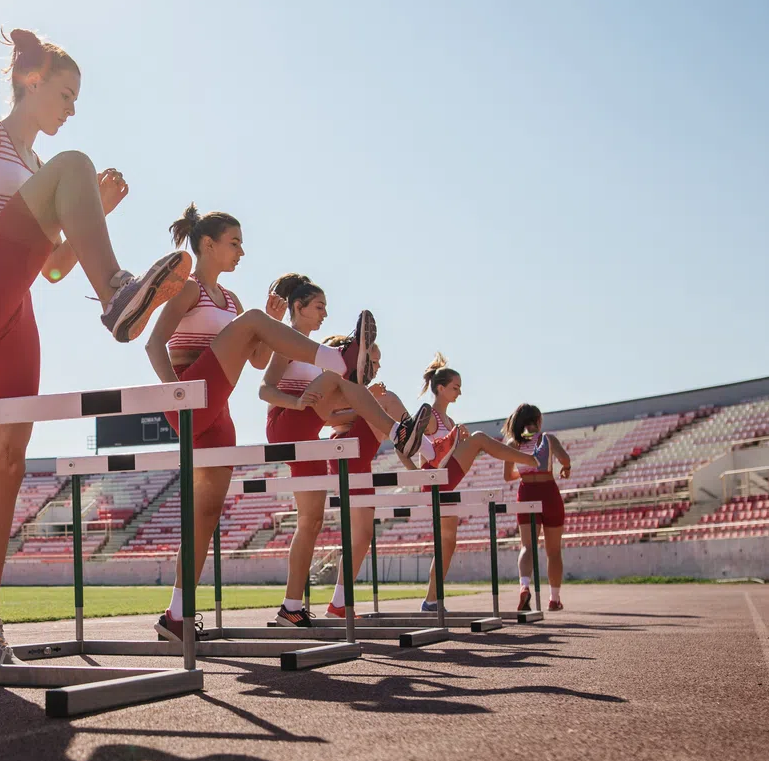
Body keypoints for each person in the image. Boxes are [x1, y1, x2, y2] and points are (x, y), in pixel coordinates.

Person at [0, 28, 191, 666]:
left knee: (6, 463)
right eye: (66, 93)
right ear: (33, 82)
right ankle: (116, 291)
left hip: (16, 312)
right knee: (78, 163)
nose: (72, 107)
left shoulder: (37, 171)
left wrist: (94, 215)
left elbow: (51, 269)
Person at [143, 208, 405, 643]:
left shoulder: (232, 302)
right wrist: (176, 394)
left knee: (205, 517)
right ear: (207, 244)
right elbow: (154, 344)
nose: (242, 251)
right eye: (235, 242)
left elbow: (258, 362)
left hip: (218, 413)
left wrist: (263, 324)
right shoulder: (190, 290)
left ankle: (176, 614)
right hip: (189, 395)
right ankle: (339, 359)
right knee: (255, 326)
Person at [259, 276, 417, 627]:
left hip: (311, 435)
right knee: (338, 378)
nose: (325, 314)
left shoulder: (316, 356)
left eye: (327, 308)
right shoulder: (287, 343)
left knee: (311, 523)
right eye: (319, 307)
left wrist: (362, 403)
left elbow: (329, 413)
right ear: (297, 308)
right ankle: (395, 428)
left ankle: (290, 606)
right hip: (284, 425)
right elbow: (264, 390)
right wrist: (296, 402)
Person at [410, 355, 541, 613]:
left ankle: (431, 601)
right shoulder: (430, 416)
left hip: (446, 482)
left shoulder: (449, 423)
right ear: (440, 388)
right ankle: (527, 458)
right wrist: (414, 475)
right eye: (455, 387)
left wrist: (460, 442)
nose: (460, 392)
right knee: (480, 438)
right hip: (435, 478)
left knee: (447, 543)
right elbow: (407, 445)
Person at [501, 403, 571, 612]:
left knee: (527, 546)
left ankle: (524, 586)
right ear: (538, 420)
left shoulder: (513, 443)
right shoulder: (547, 439)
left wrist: (522, 472)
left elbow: (507, 476)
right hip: (548, 492)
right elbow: (565, 459)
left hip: (527, 493)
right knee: (553, 551)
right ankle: (554, 598)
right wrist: (566, 468)